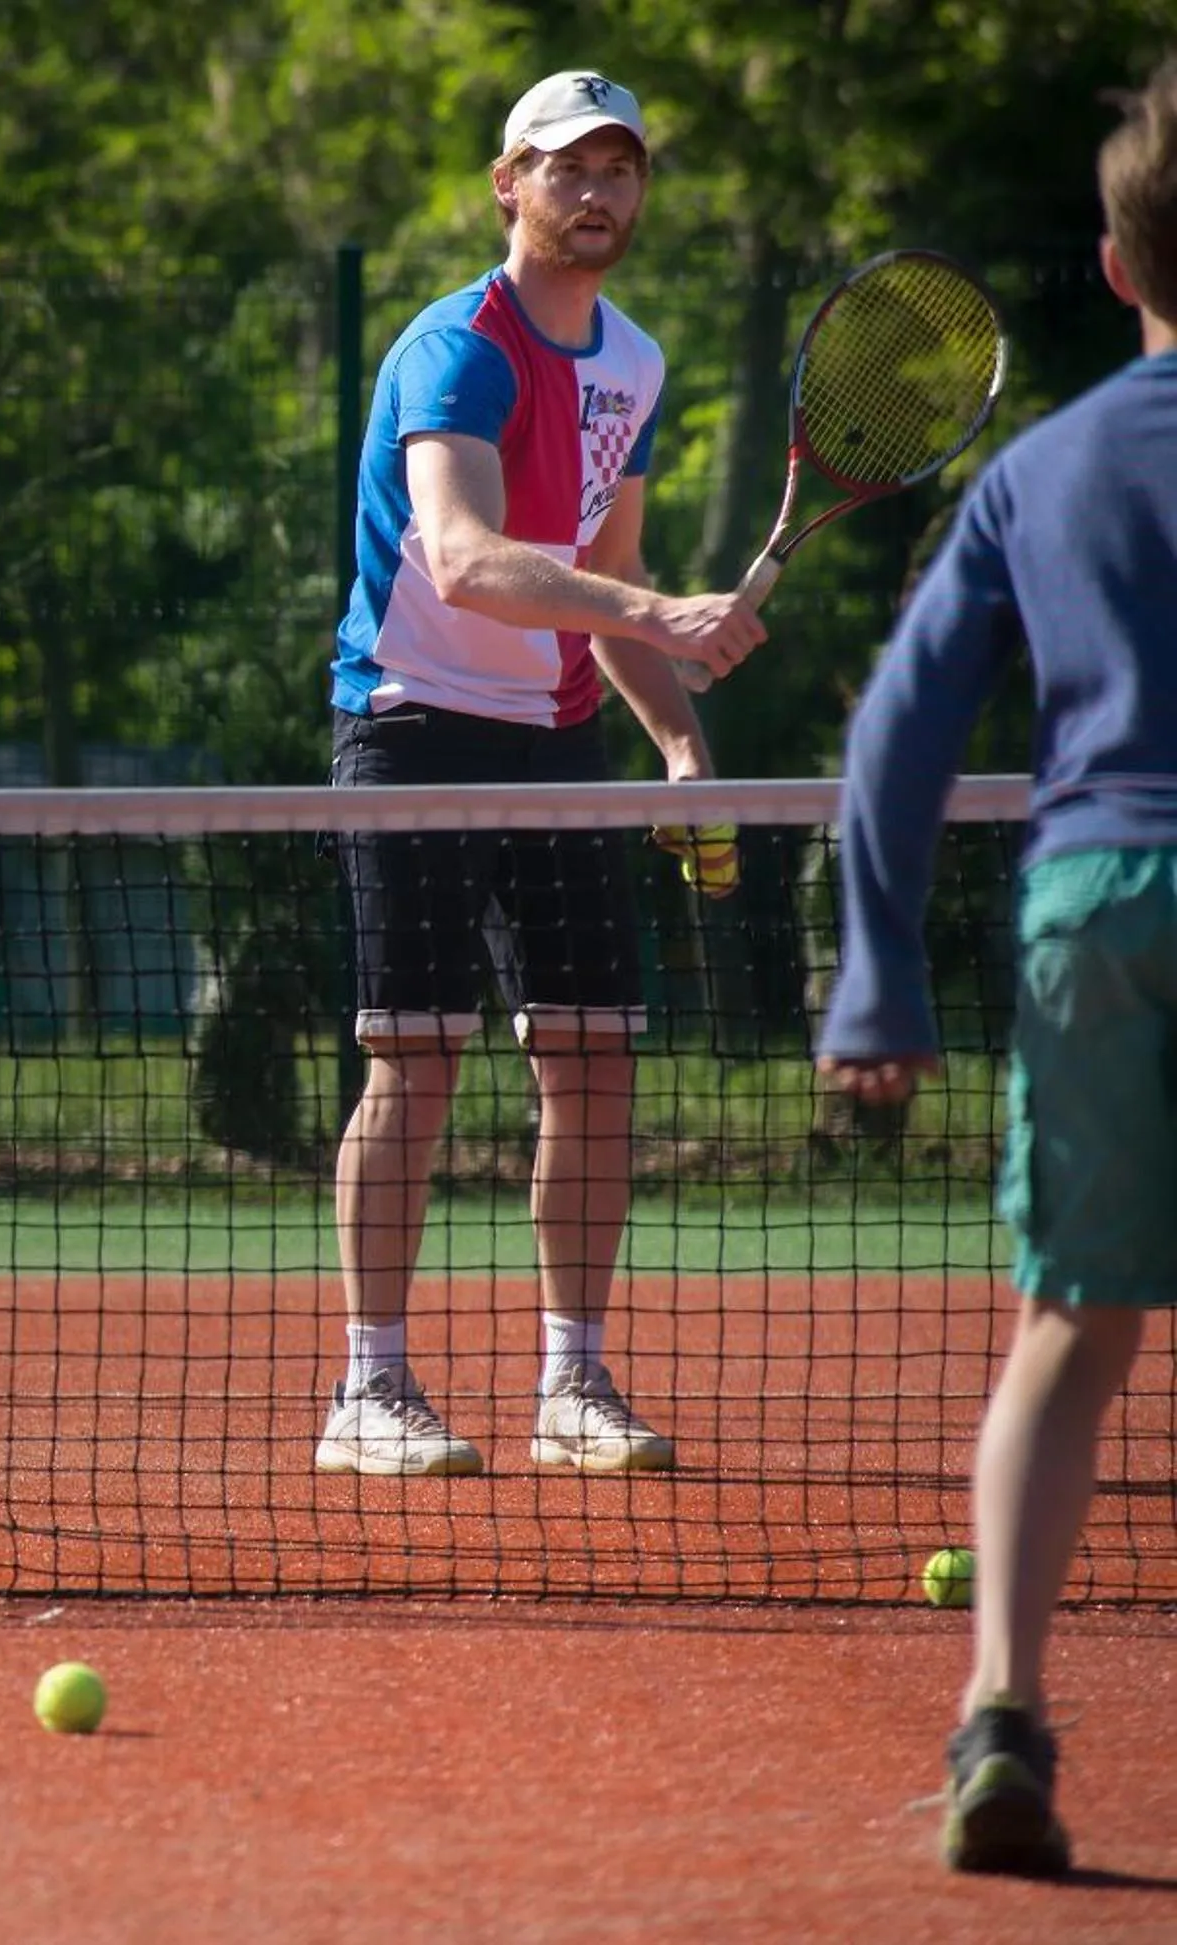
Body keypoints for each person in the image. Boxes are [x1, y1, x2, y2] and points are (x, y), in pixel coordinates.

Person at [816, 56, 1177, 1879]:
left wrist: (876, 980)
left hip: (1098, 897)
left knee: (1070, 1331)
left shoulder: (1040, 469)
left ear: (1118, 268)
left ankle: (1006, 1722)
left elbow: (895, 737)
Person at [318, 69, 767, 1478]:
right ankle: (368, 1390)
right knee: (418, 1058)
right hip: (412, 729)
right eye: (568, 168)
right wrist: (654, 618)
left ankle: (574, 1385)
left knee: (595, 1064)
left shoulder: (633, 360)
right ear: (508, 184)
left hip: (560, 745)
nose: (598, 194)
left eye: (621, 170)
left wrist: (683, 747)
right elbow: (463, 559)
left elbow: (612, 579)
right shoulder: (456, 349)